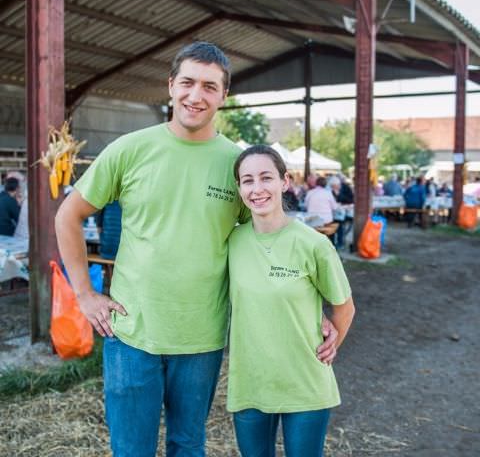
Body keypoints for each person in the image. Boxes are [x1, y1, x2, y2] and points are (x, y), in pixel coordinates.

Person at [55, 42, 338, 457]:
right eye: (187, 82)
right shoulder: (130, 149)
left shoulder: (238, 165)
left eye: (209, 86)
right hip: (132, 332)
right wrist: (83, 293)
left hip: (202, 338)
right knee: (131, 449)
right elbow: (68, 216)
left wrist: (314, 310)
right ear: (170, 86)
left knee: (188, 445)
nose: (195, 95)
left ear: (223, 96)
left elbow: (265, 244)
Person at [228, 145, 355, 457]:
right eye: (247, 180)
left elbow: (344, 307)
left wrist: (332, 342)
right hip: (251, 382)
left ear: (285, 182)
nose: (257, 189)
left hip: (304, 381)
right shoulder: (232, 241)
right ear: (239, 188)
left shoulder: (314, 244)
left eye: (266, 178)